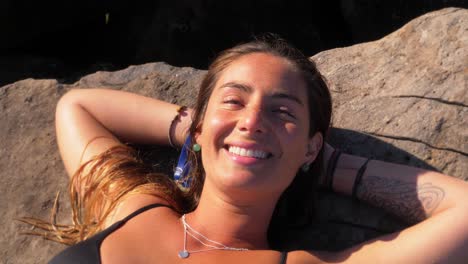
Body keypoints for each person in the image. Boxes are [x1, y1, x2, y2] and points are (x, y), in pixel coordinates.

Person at [26, 36, 468, 263]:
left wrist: (324, 163)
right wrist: (206, 132)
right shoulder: (134, 207)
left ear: (312, 147)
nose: (254, 120)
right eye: (234, 101)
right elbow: (80, 106)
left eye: (283, 113)